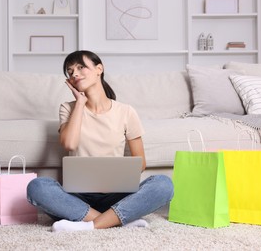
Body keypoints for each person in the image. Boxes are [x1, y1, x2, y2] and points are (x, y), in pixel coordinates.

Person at [27, 50, 174, 232]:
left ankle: (88, 225)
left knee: (163, 185)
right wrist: (80, 103)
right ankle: (117, 220)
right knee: (37, 187)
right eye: (70, 72)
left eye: (81, 67)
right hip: (78, 197)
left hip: (117, 195)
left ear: (99, 69)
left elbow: (141, 162)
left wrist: (117, 173)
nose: (75, 74)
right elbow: (69, 144)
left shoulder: (126, 111)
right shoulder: (68, 108)